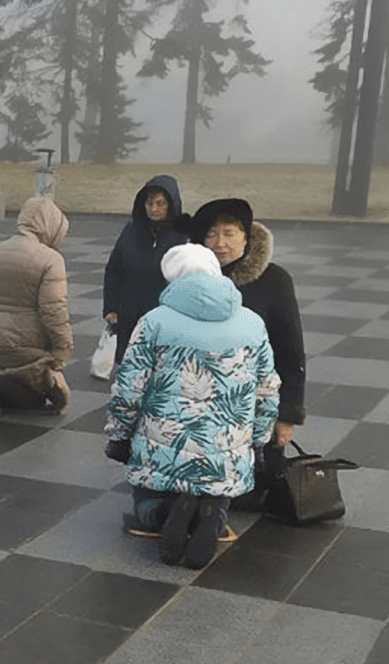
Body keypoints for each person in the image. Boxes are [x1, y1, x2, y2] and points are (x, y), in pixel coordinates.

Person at [106, 244, 280, 569]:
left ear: (171, 277)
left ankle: (166, 512)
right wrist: (258, 441)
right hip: (226, 451)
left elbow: (129, 387)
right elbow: (267, 389)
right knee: (219, 487)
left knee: (146, 503)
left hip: (165, 447)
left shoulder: (154, 321)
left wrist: (119, 435)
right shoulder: (252, 323)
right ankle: (212, 512)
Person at [191, 197, 307, 451]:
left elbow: (290, 349)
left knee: (251, 484)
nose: (220, 243)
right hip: (196, 409)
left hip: (253, 409)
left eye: (229, 233)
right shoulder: (189, 281)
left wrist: (287, 414)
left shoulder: (274, 280)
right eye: (211, 234)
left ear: (246, 237)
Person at [0, 196, 74, 420]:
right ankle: (8, 386)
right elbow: (53, 312)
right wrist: (62, 351)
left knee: (3, 364)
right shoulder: (51, 260)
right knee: (43, 387)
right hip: (30, 350)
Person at [102, 175, 187, 369]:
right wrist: (110, 307)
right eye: (149, 203)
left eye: (160, 203)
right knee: (128, 371)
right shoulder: (131, 231)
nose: (154, 209)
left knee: (161, 373)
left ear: (172, 204)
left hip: (165, 317)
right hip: (129, 313)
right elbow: (113, 270)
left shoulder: (183, 235)